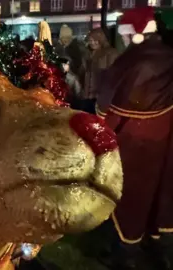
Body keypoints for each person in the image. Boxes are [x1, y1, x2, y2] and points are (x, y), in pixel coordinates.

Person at [96, 7, 173, 269]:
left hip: (133, 139)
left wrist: (101, 120)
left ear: (136, 34)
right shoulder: (169, 55)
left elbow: (106, 99)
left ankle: (126, 255)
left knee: (129, 194)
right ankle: (156, 246)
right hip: (164, 137)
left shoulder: (132, 60)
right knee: (155, 192)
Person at [78, 28, 118, 114]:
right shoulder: (87, 54)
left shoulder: (110, 53)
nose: (92, 42)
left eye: (95, 40)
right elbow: (82, 74)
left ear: (101, 40)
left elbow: (114, 76)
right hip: (86, 97)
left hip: (101, 97)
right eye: (90, 40)